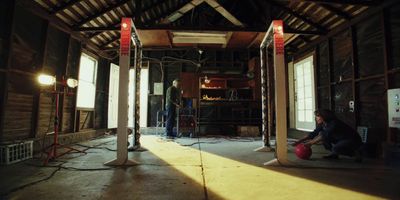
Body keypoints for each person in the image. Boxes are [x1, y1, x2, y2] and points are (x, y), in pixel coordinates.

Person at [292, 109, 363, 162]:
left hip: (352, 140)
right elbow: (313, 134)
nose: (316, 118)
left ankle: (356, 153)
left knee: (335, 147)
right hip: (340, 139)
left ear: (324, 116)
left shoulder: (333, 123)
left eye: (318, 116)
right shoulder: (323, 124)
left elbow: (323, 135)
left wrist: (310, 143)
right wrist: (298, 142)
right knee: (325, 140)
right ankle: (334, 155)